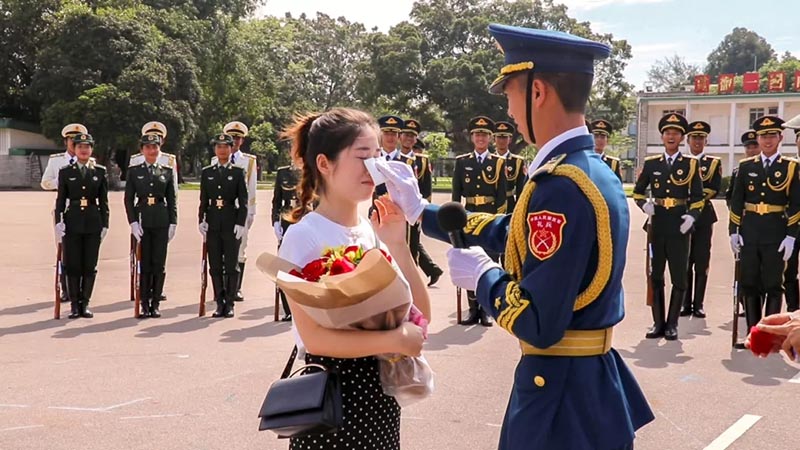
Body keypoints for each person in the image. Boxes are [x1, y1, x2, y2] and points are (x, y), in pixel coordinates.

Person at [374, 24, 653, 449]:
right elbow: (514, 231)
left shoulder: (559, 184)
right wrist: (420, 211)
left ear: (536, 92)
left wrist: (484, 277)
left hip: (561, 396)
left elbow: (538, 322)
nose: (508, 111)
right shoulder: (589, 170)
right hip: (590, 383)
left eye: (509, 95)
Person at [277, 108, 429, 450]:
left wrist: (398, 246)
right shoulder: (304, 236)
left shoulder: (371, 229)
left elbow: (420, 316)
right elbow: (314, 338)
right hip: (331, 398)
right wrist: (395, 340)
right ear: (324, 164)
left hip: (381, 396)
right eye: (363, 156)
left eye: (378, 156)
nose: (374, 167)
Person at [633, 113, 704, 340]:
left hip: (680, 225)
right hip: (658, 224)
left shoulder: (691, 164)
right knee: (656, 275)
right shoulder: (653, 163)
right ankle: (658, 323)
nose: (671, 136)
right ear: (662, 137)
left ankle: (672, 324)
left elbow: (698, 197)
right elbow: (637, 191)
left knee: (679, 277)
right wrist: (644, 205)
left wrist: (692, 217)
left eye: (675, 133)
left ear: (682, 137)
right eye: (667, 133)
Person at [729, 115, 800, 331]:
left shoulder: (790, 167)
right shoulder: (745, 166)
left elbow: (796, 204)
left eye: (771, 136)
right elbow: (737, 201)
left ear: (780, 137)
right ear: (758, 139)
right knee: (749, 283)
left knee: (773, 284)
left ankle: (770, 332)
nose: (767, 141)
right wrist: (734, 230)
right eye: (763, 136)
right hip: (750, 230)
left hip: (776, 231)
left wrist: (791, 236)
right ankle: (754, 331)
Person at [452, 115, 507, 326]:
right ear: (472, 137)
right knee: (468, 263)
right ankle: (472, 309)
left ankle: (485, 310)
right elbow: (456, 196)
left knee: (489, 263)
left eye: (484, 135)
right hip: (469, 217)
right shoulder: (462, 162)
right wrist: (454, 222)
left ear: (490, 138)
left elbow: (502, 196)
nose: (480, 138)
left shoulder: (499, 163)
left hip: (489, 218)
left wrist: (497, 221)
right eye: (477, 134)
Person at [54, 134, 109, 319]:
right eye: (80, 147)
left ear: (91, 149)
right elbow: (60, 200)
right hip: (73, 221)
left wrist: (105, 224)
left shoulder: (100, 172)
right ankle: (74, 305)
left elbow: (104, 202)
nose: (84, 150)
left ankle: (85, 303)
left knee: (89, 265)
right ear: (74, 149)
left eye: (87, 147)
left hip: (93, 221)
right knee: (72, 265)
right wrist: (58, 222)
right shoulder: (65, 172)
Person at [125, 133, 178, 318]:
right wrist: (132, 222)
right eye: (148, 147)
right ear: (142, 150)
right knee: (144, 264)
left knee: (158, 264)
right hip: (142, 221)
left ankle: (155, 303)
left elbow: (172, 200)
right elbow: (129, 200)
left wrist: (173, 222)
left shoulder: (167, 171)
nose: (152, 150)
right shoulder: (134, 171)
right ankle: (144, 302)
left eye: (155, 147)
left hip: (161, 221)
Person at [198, 133, 248, 318]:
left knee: (231, 265)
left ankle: (230, 301)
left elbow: (243, 201)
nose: (222, 150)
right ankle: (219, 302)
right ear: (215, 150)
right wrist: (201, 220)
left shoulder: (237, 172)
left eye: (226, 146)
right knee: (215, 265)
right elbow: (203, 200)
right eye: (219, 147)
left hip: (230, 221)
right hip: (213, 222)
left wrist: (240, 223)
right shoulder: (207, 172)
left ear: (230, 148)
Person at [42, 123, 91, 303]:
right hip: (64, 208)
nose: (74, 143)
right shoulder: (56, 161)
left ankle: (81, 290)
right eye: (71, 140)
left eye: (77, 140)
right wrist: (63, 183)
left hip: (84, 210)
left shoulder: (90, 162)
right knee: (63, 251)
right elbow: (45, 182)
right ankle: (66, 289)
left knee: (83, 251)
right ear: (66, 141)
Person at [210, 121, 257, 302]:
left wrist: (250, 213)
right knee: (220, 251)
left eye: (238, 137)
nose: (235, 141)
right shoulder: (216, 160)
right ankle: (221, 289)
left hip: (240, 211)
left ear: (242, 140)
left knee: (240, 251)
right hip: (221, 212)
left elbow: (251, 189)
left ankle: (235, 288)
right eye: (232, 137)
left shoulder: (249, 161)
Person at [680, 121, 721, 318]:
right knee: (685, 260)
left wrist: (692, 197)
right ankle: (685, 303)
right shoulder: (681, 162)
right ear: (687, 140)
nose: (697, 141)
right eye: (694, 138)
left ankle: (699, 304)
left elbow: (714, 188)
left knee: (701, 261)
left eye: (701, 138)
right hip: (681, 215)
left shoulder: (713, 163)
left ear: (706, 140)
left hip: (703, 216)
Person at [395, 118, 443, 286]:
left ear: (416, 139)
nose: (409, 139)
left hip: (412, 214)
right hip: (393, 213)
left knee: (412, 251)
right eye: (406, 135)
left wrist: (423, 213)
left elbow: (426, 191)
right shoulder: (391, 158)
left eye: (412, 136)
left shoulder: (421, 161)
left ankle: (412, 288)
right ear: (400, 137)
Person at [271, 159, 301, 321]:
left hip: (306, 218)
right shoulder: (283, 172)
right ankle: (288, 309)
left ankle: (302, 307)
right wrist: (275, 220)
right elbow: (277, 200)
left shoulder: (313, 170)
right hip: (286, 220)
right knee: (284, 265)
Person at [494, 120, 526, 213]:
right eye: (499, 137)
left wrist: (519, 209)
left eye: (505, 137)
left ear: (510, 139)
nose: (501, 140)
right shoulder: (489, 160)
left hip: (510, 205)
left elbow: (520, 189)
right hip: (492, 205)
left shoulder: (517, 161)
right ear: (494, 139)